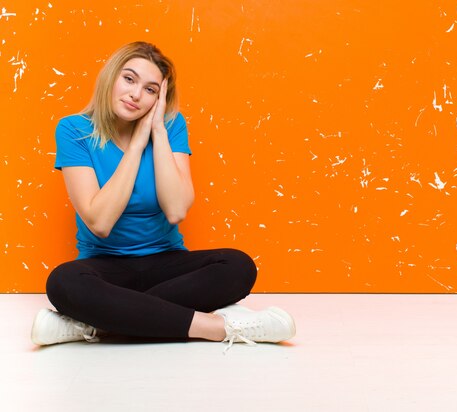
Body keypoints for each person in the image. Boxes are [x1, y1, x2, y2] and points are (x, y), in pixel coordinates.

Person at [30, 41, 295, 350]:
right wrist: (137, 142)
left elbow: (176, 210)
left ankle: (94, 323)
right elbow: (100, 222)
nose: (136, 95)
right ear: (111, 77)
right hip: (105, 268)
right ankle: (217, 327)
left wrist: (156, 131)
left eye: (151, 90)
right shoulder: (74, 130)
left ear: (160, 98)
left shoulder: (171, 126)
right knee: (63, 283)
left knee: (238, 266)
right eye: (129, 79)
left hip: (167, 266)